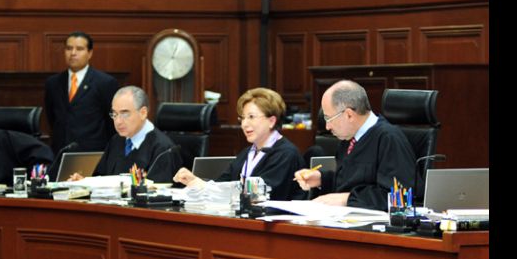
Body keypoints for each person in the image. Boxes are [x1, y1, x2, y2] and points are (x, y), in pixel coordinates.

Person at [293, 80, 416, 211]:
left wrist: (347, 199)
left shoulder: (389, 138)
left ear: (349, 115)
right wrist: (321, 179)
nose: (327, 126)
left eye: (329, 118)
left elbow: (399, 197)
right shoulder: (349, 138)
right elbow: (351, 182)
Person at [173, 87, 306, 201]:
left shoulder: (286, 154)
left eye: (251, 117)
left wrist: (203, 186)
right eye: (242, 118)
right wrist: (195, 181)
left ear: (271, 121)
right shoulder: (248, 152)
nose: (244, 124)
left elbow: (260, 195)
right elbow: (222, 184)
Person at [81, 85, 182, 183]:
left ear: (143, 113)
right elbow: (99, 178)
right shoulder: (116, 140)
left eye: (124, 114)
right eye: (115, 114)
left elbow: (159, 190)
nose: (118, 121)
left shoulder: (163, 149)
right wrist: (84, 182)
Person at [44, 32, 119, 155]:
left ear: (90, 53)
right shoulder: (53, 83)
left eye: (79, 49)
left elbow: (111, 121)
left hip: (92, 154)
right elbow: (52, 118)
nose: (73, 53)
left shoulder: (105, 82)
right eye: (69, 48)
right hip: (61, 152)